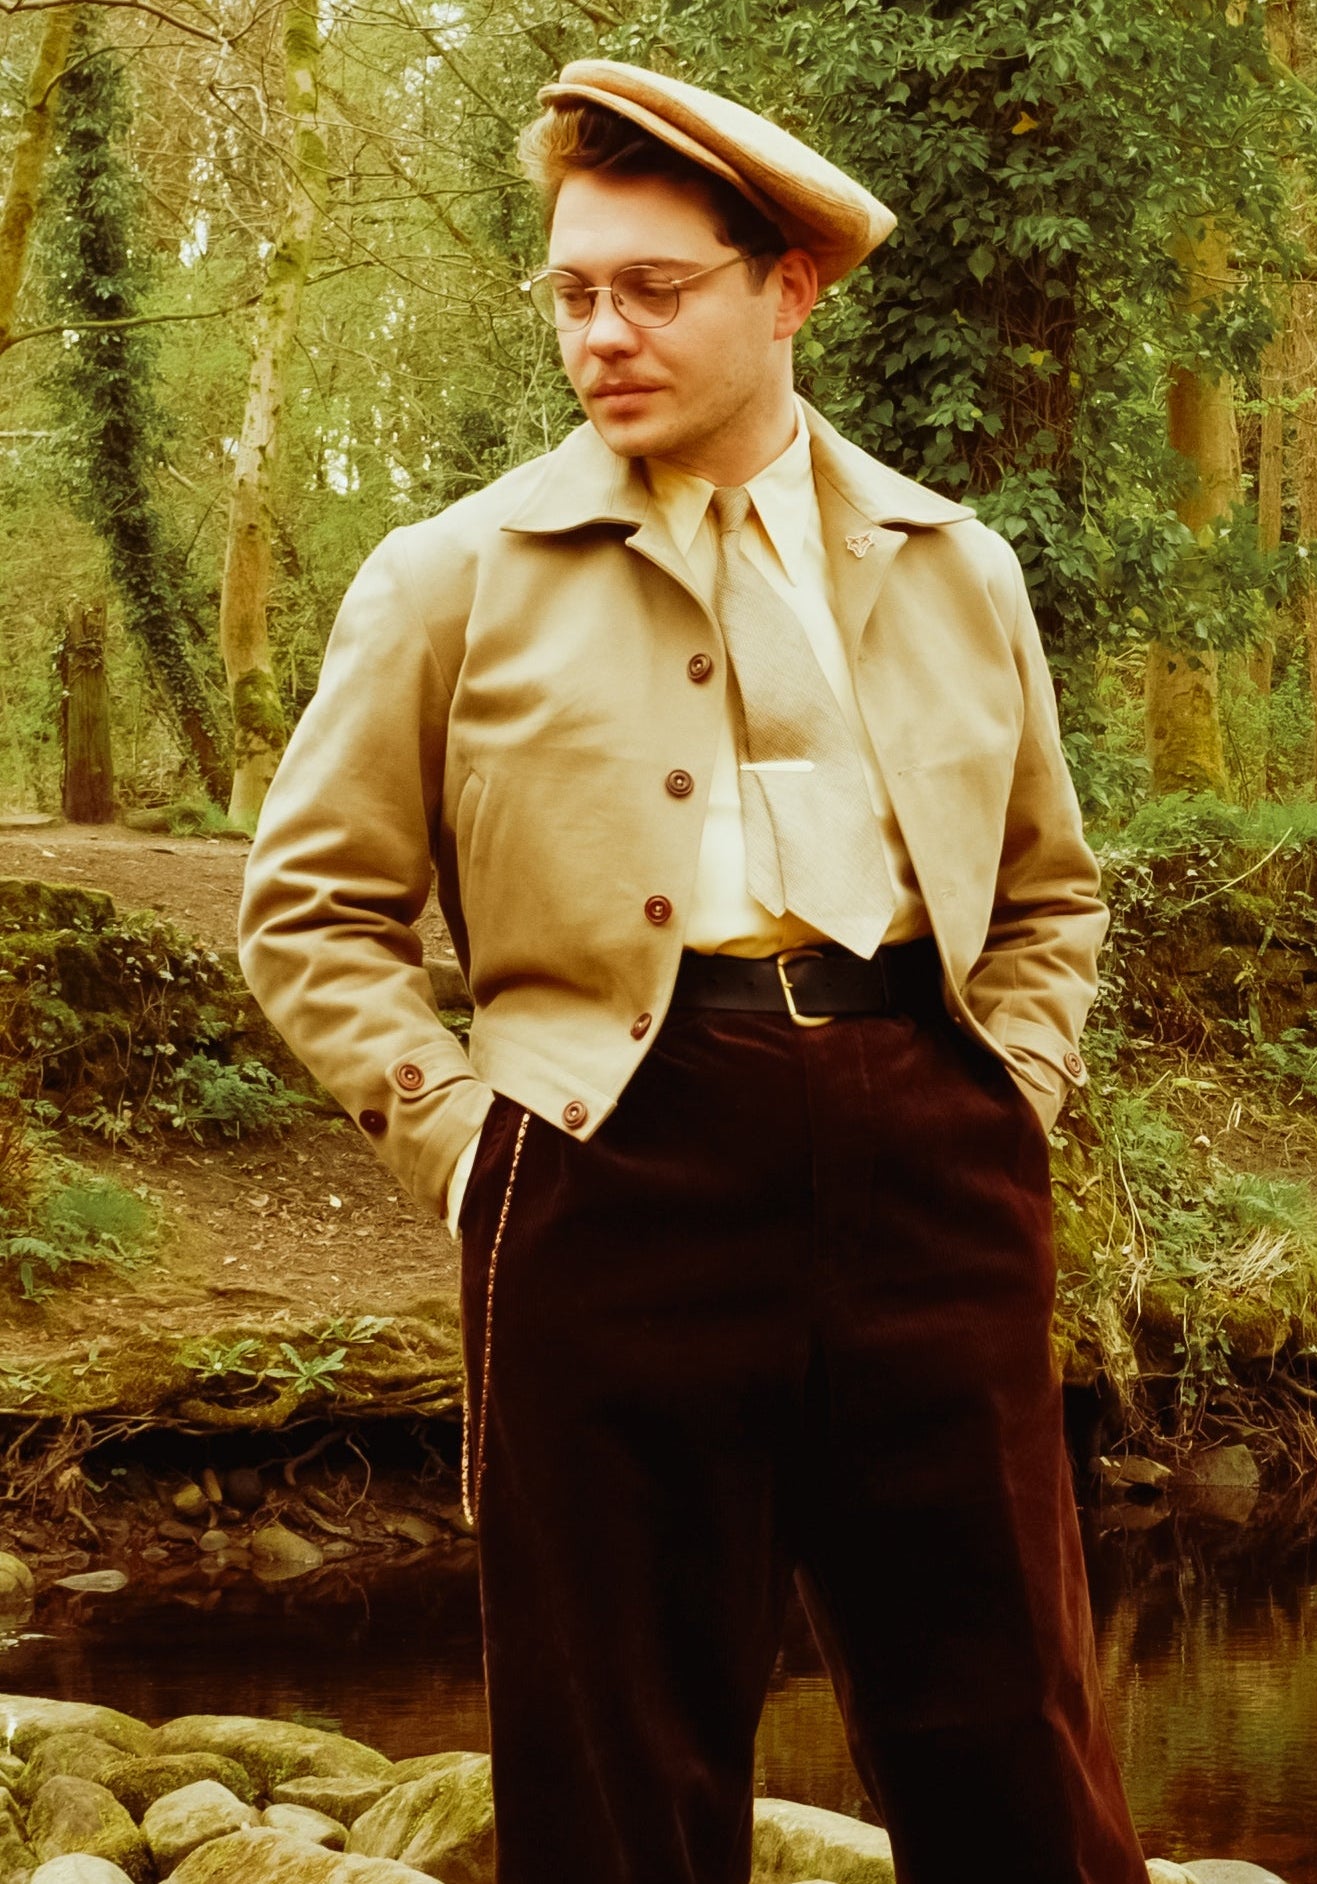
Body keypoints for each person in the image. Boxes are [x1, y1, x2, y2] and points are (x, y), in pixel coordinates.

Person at [236, 59, 1142, 1884]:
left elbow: (1050, 895)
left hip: (932, 1161)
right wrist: (461, 1138)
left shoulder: (956, 566)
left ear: (784, 285)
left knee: (1010, 1734)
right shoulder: (450, 578)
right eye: (573, 291)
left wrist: (1008, 1092)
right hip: (600, 1168)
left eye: (653, 289)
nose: (601, 334)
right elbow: (309, 912)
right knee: (613, 1755)